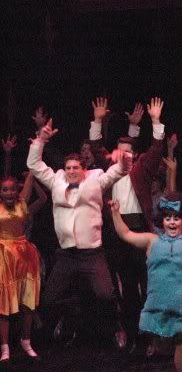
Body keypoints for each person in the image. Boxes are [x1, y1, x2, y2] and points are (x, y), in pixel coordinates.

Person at [27, 118, 131, 349]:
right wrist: (41, 140)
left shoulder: (96, 181)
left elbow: (120, 170)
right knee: (49, 298)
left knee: (105, 294)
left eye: (76, 168)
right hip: (66, 255)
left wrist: (123, 157)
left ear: (84, 170)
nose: (72, 171)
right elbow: (34, 164)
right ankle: (59, 327)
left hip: (91, 254)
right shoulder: (56, 181)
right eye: (68, 168)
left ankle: (117, 327)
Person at [109, 189, 182, 372]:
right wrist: (115, 213)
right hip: (161, 308)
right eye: (168, 218)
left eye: (176, 218)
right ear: (162, 221)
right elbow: (126, 234)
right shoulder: (152, 241)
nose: (172, 222)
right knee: (162, 347)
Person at [89, 97, 166, 350]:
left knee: (147, 283)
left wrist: (155, 121)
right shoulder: (110, 167)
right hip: (116, 229)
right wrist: (97, 120)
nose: (123, 154)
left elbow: (157, 148)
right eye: (119, 151)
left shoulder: (142, 166)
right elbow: (96, 146)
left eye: (128, 151)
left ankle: (152, 336)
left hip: (139, 227)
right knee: (126, 286)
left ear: (133, 153)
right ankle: (133, 335)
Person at [0, 176, 43, 364]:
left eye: (12, 189)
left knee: (28, 301)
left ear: (17, 191)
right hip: (5, 258)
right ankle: (5, 349)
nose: (9, 192)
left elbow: (43, 199)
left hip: (25, 256)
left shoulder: (22, 205)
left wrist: (32, 178)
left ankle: (26, 343)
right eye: (5, 189)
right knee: (4, 303)